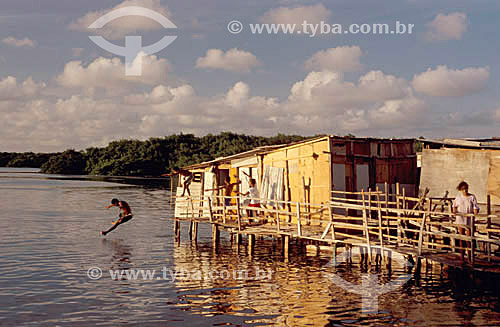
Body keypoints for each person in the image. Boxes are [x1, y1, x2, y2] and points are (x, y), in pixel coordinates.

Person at [452, 181, 479, 262]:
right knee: (461, 238)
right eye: (463, 189)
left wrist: (475, 212)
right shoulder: (458, 197)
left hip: (468, 220)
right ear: (460, 190)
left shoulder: (472, 197)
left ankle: (470, 257)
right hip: (460, 219)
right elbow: (454, 206)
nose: (465, 191)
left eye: (466, 189)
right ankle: (462, 257)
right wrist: (455, 213)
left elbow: (475, 207)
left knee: (469, 239)